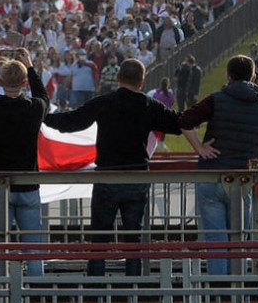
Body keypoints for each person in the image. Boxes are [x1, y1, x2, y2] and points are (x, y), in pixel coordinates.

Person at [44, 58, 196, 276]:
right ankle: (133, 284)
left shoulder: (104, 102)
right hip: (137, 178)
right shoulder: (148, 105)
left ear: (117, 78)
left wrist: (42, 116)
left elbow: (71, 122)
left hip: (107, 177)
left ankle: (96, 282)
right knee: (133, 238)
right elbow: (178, 123)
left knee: (100, 237)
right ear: (142, 81)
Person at [178, 55, 258, 275]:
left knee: (216, 238)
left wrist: (200, 148)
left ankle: (219, 290)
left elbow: (185, 120)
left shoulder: (216, 98)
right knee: (239, 237)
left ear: (228, 76)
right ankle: (238, 288)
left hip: (212, 175)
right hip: (243, 178)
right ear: (253, 76)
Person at [0, 47, 50, 277]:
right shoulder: (34, 108)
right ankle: (38, 296)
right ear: (24, 82)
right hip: (28, 185)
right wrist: (32, 67)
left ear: (1, 81)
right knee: (34, 247)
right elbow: (44, 97)